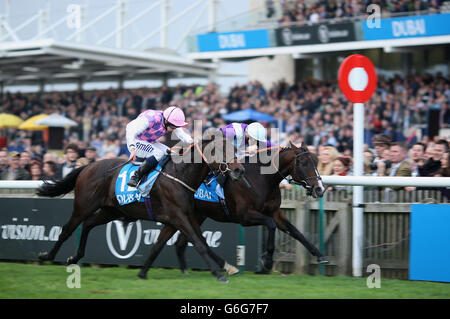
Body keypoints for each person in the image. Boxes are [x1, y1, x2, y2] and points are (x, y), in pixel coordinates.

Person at [126, 106, 193, 188]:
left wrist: (194, 143)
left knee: (170, 152)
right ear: (166, 120)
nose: (174, 129)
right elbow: (130, 130)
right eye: (173, 127)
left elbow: (182, 135)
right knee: (159, 153)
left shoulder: (169, 120)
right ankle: (136, 177)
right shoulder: (150, 119)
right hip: (135, 141)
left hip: (148, 142)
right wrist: (132, 148)